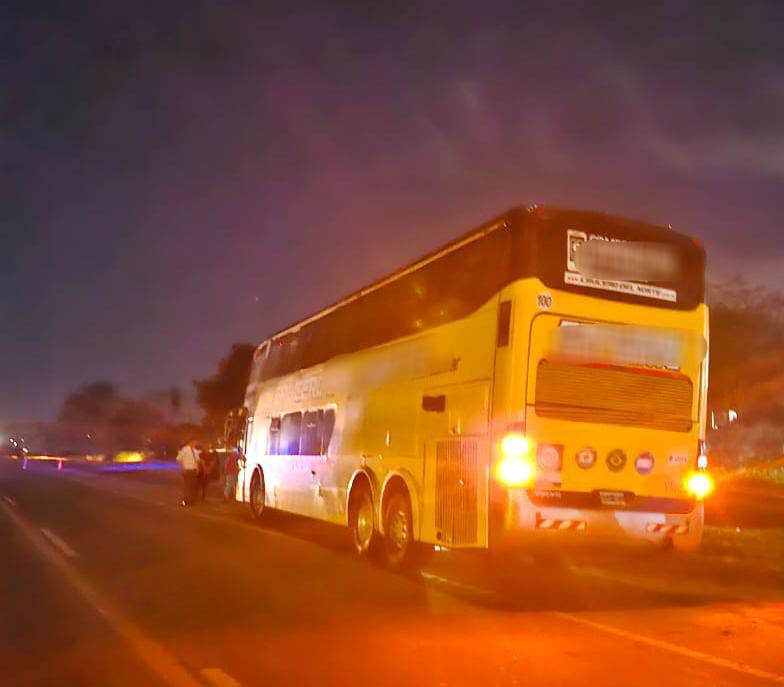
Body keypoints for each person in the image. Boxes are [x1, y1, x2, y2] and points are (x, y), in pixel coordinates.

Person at [176, 438, 200, 506]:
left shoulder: (195, 451)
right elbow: (178, 459)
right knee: (187, 486)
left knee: (192, 486)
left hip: (194, 470)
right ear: (191, 442)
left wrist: (197, 468)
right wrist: (182, 468)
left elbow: (197, 461)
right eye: (195, 442)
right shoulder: (185, 450)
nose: (195, 444)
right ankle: (185, 501)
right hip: (187, 470)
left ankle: (191, 500)